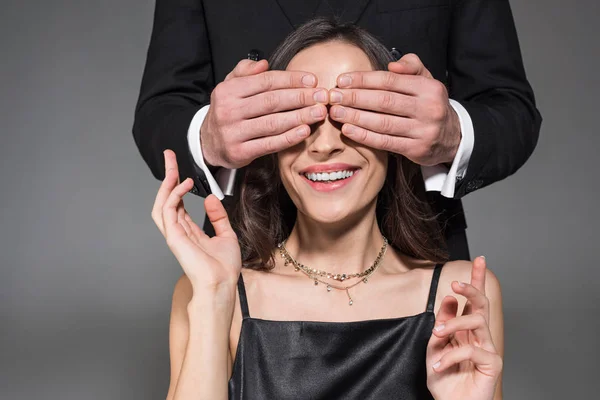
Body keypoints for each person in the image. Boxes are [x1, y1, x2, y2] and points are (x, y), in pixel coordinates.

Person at [151, 20, 504, 400]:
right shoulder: (209, 291)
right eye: (303, 115)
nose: (324, 145)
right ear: (271, 142)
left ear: (394, 135)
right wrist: (213, 295)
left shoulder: (461, 294)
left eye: (351, 112)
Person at [133, 0, 542, 261]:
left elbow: (512, 108)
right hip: (247, 249)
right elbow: (159, 109)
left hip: (417, 249)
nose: (325, 144)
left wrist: (454, 132)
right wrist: (208, 138)